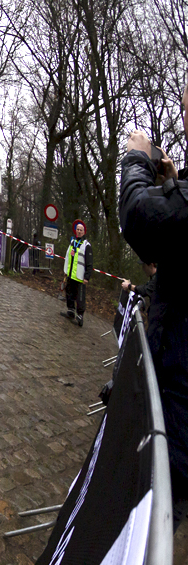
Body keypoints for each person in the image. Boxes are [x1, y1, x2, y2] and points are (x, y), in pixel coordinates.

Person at [119, 89, 188, 518]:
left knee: (147, 532)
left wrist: (135, 161)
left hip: (180, 422)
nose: (184, 117)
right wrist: (170, 182)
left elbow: (141, 220)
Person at [60, 219, 91, 327]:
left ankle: (80, 316)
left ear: (84, 232)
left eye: (81, 230)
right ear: (75, 231)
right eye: (77, 229)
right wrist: (65, 272)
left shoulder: (86, 245)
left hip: (80, 277)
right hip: (70, 275)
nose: (79, 231)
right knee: (69, 293)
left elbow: (89, 263)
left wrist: (87, 277)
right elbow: (68, 258)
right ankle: (71, 311)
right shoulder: (72, 243)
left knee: (80, 297)